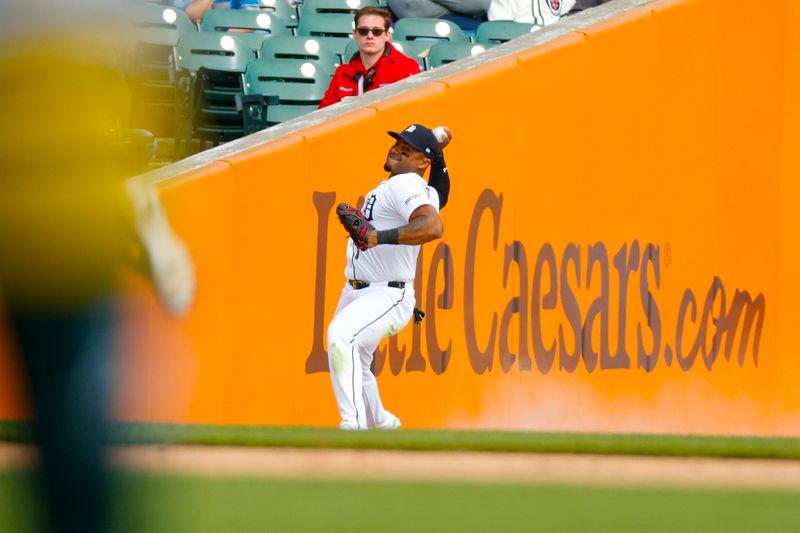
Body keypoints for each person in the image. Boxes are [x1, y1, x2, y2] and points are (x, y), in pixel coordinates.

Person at [327, 124, 452, 430]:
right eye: (397, 144)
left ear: (421, 163)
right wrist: (438, 155)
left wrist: (376, 237)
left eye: (406, 150)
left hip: (386, 293)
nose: (396, 149)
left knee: (341, 337)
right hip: (363, 290)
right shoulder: (414, 187)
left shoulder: (405, 184)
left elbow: (433, 227)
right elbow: (441, 194)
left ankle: (352, 427)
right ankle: (383, 424)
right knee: (357, 356)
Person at [318, 7, 420, 109]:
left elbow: (413, 110)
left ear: (387, 35)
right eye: (363, 31)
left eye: (377, 31)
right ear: (355, 34)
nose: (370, 36)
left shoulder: (406, 67)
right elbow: (322, 115)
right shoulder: (342, 73)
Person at [388, 0, 490, 20]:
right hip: (426, 34)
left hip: (472, 32)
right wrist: (460, 6)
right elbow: (411, 9)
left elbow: (481, 3)